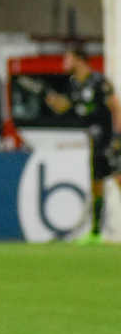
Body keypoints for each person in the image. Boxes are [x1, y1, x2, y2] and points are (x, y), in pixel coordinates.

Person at [42, 43, 121, 244]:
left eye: (67, 58)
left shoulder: (98, 81)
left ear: (78, 59)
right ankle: (95, 233)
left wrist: (118, 137)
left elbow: (116, 107)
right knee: (97, 185)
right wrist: (52, 101)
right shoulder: (74, 84)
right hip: (95, 142)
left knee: (119, 180)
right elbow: (64, 107)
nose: (64, 63)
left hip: (110, 141)